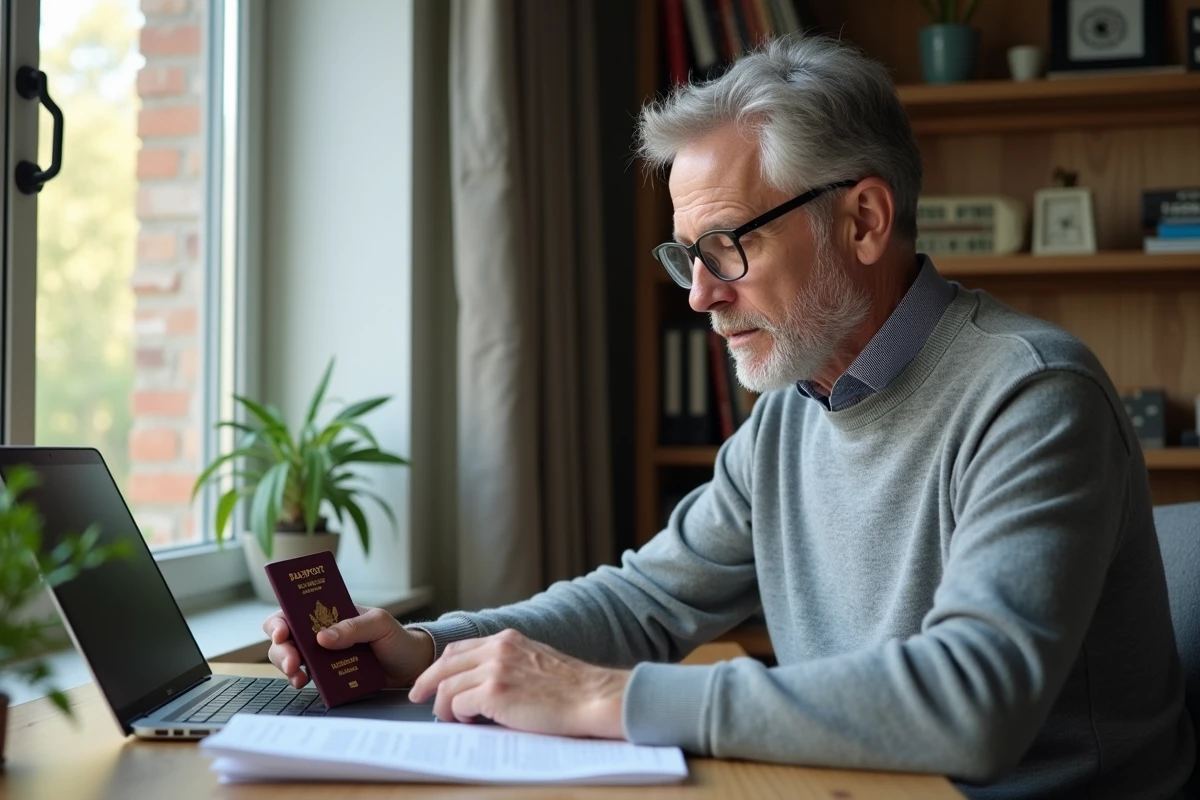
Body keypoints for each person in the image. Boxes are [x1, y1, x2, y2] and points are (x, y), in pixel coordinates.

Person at [264, 35, 1195, 797]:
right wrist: (430, 650)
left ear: (864, 221)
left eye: (725, 245)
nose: (700, 296)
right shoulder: (791, 415)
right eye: (686, 256)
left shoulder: (1031, 398)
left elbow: (974, 703)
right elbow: (646, 600)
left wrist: (608, 699)